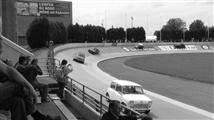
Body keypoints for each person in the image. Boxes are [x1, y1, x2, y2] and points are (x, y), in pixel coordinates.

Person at [0, 35, 61, 120]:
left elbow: (9, 72)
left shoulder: (19, 66)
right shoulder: (27, 67)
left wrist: (10, 67)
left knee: (18, 102)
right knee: (19, 84)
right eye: (1, 42)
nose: (2, 44)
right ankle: (37, 115)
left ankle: (37, 116)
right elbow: (9, 71)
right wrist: (29, 87)